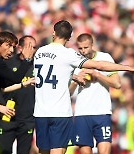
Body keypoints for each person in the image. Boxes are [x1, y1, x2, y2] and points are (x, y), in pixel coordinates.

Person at [33, 20, 134, 154]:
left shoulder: (39, 52)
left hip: (40, 111)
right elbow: (99, 65)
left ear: (53, 33)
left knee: (43, 151)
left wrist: (73, 77)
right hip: (60, 112)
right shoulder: (68, 54)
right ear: (69, 38)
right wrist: (127, 68)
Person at [70, 33, 122, 154]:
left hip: (102, 112)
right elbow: (68, 93)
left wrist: (98, 75)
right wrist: (76, 80)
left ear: (92, 45)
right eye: (80, 48)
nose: (83, 51)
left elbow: (117, 84)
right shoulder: (74, 62)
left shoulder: (105, 58)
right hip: (82, 113)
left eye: (86, 47)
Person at [0, 35, 37, 154]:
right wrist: (1, 107)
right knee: (4, 150)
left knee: (24, 151)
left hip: (27, 118)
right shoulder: (8, 63)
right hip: (8, 115)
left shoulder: (38, 65)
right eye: (29, 47)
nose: (32, 50)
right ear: (20, 48)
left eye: (34, 47)